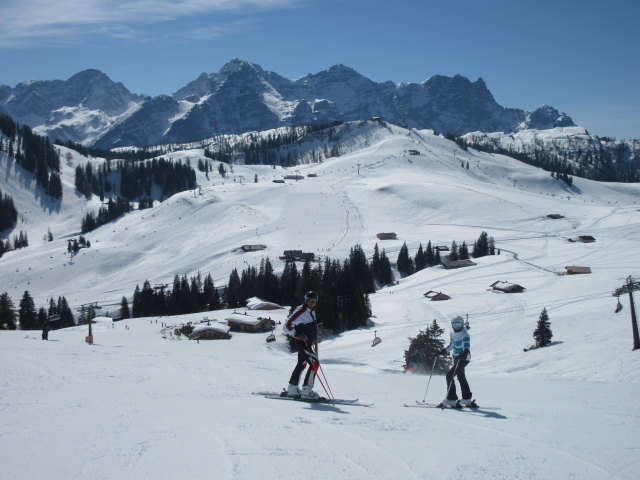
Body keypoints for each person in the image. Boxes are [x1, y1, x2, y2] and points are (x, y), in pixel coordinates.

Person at [283, 291, 321, 399]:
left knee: (302, 364)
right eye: (310, 301)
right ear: (306, 300)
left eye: (314, 301)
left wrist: (312, 340)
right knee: (315, 364)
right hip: (302, 343)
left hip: (307, 343)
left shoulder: (311, 311)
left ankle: (292, 389)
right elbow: (286, 326)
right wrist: (296, 334)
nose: (312, 303)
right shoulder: (302, 311)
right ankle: (306, 391)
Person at [443, 316, 472, 406]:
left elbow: (466, 346)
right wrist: (443, 351)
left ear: (462, 324)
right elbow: (452, 345)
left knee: (449, 375)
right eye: (454, 324)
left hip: (464, 358)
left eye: (458, 324)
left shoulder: (465, 334)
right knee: (461, 377)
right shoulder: (452, 333)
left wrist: (463, 354)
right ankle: (467, 398)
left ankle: (451, 399)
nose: (456, 327)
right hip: (456, 358)